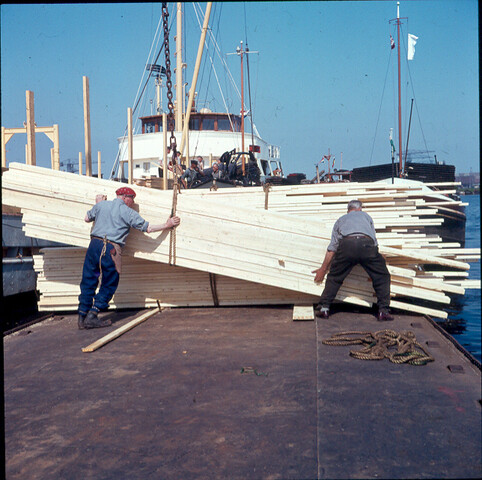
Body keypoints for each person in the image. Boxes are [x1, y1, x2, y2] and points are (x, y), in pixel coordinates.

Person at [78, 186, 181, 329]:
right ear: (126, 198)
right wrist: (167, 224)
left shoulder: (101, 205)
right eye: (132, 200)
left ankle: (82, 316)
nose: (133, 203)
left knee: (90, 278)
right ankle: (93, 315)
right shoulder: (127, 212)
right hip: (111, 250)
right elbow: (148, 228)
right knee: (109, 281)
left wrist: (97, 204)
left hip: (94, 246)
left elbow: (86, 218)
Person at [312, 199, 393, 321]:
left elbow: (332, 247)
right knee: (382, 277)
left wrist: (323, 269)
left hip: (347, 245)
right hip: (367, 245)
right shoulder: (367, 217)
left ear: (348, 210)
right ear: (360, 209)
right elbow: (374, 242)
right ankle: (383, 312)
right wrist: (374, 270)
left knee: (335, 277)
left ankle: (324, 308)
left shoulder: (341, 219)